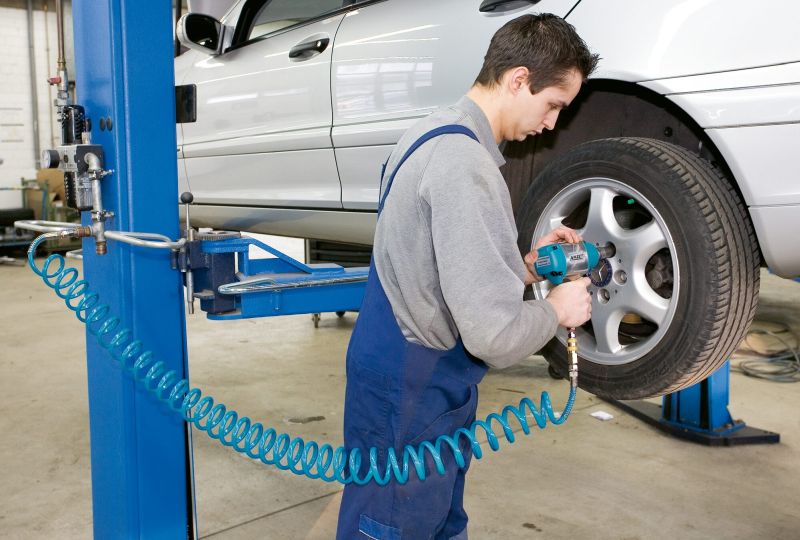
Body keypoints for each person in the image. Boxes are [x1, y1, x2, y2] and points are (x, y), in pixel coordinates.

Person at [336, 14, 599, 540]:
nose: (551, 124)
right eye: (553, 105)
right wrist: (557, 310)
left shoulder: (432, 132)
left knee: (433, 521)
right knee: (393, 526)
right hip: (414, 390)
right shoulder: (465, 164)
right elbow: (494, 338)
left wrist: (525, 267)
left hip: (402, 376)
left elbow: (432, 265)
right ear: (519, 79)